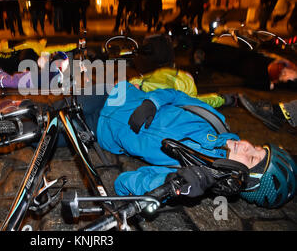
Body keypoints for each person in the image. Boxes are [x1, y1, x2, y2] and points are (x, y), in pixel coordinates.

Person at [68, 82, 296, 208]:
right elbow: (176, 95)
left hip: (97, 129)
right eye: (256, 147)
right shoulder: (215, 121)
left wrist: (171, 184)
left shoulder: (190, 170)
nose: (246, 144)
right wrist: (152, 102)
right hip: (117, 94)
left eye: (253, 158)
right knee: (60, 103)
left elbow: (123, 184)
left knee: (42, 127)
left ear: (242, 180)